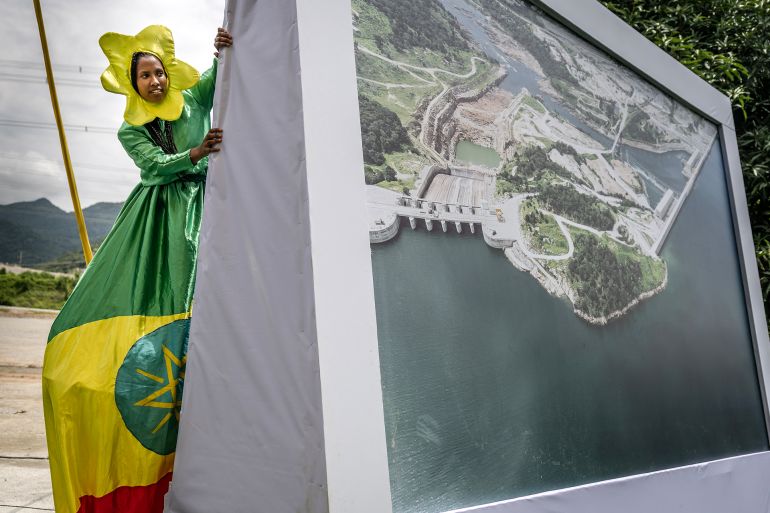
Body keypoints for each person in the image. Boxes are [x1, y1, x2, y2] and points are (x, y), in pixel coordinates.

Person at [42, 25, 232, 513]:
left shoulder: (191, 100)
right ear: (133, 83)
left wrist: (223, 49)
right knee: (169, 281)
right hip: (161, 210)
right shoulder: (130, 128)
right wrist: (194, 154)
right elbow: (155, 167)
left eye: (160, 71)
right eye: (145, 75)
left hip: (208, 199)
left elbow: (218, 79)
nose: (155, 80)